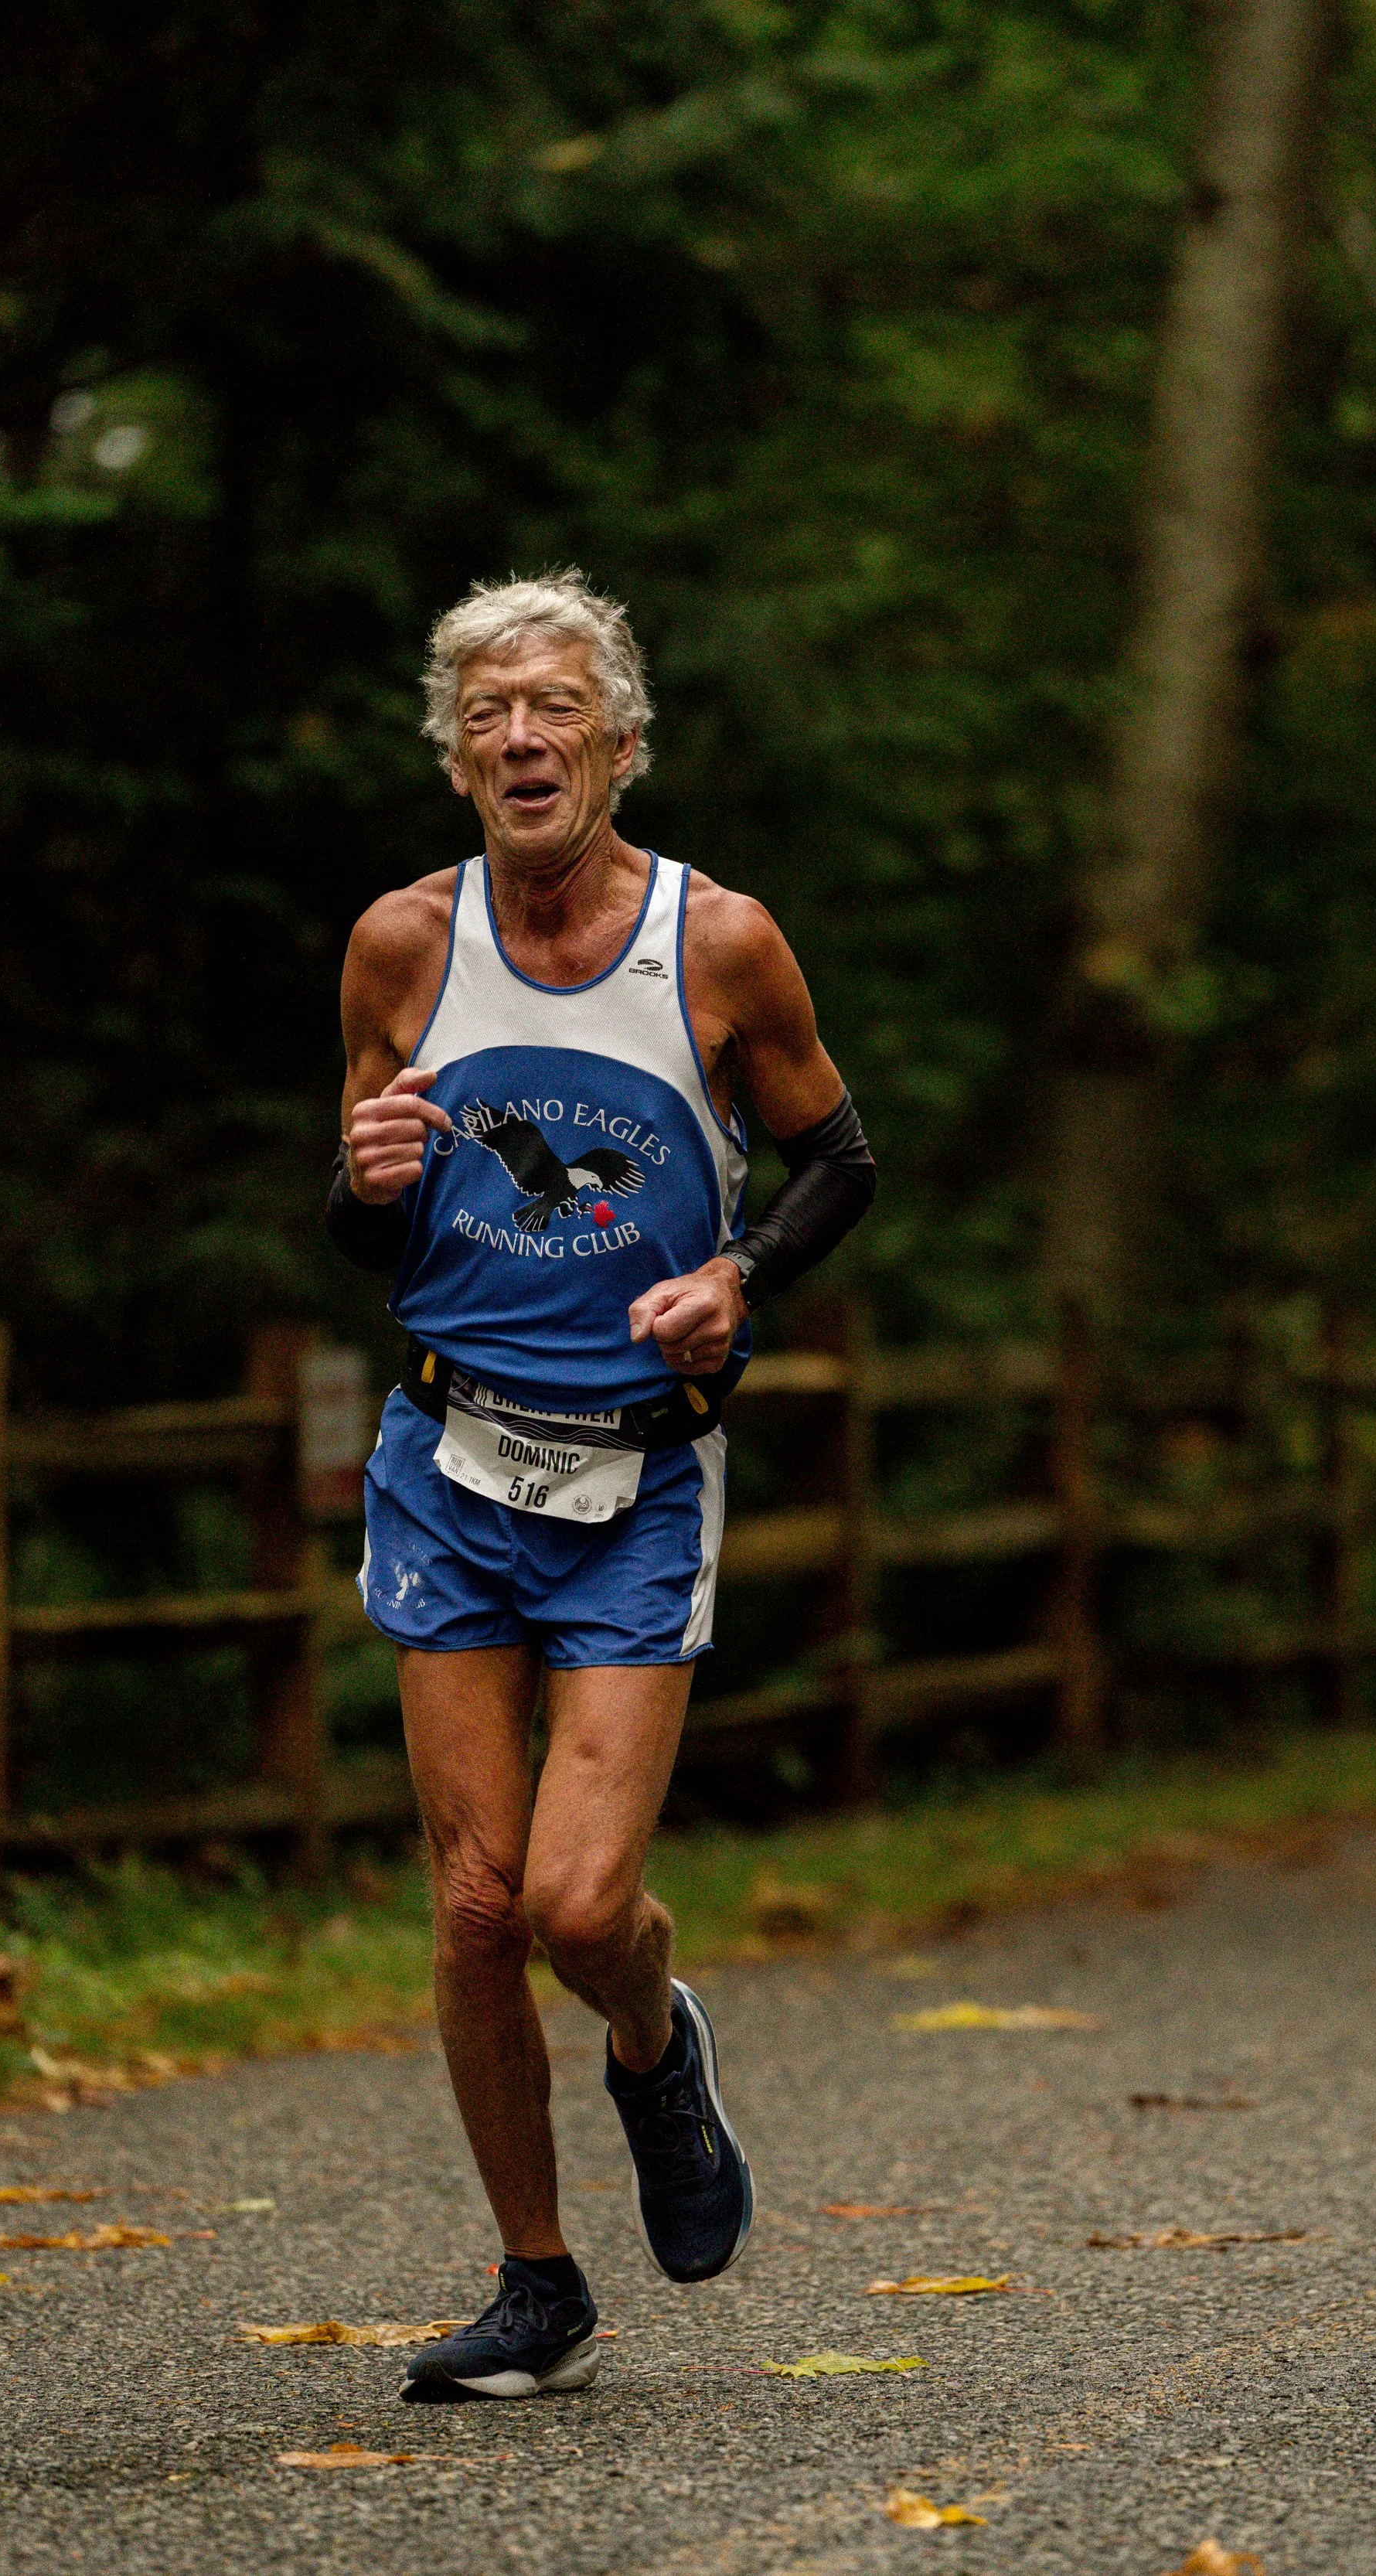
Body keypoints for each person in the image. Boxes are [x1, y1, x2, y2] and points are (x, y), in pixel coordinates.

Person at [327, 571, 875, 2403]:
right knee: (477, 1904)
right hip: (446, 1457)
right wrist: (373, 1171)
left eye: (554, 706)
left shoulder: (717, 946)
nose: (520, 737)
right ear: (454, 756)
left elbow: (839, 1159)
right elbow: (360, 1227)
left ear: (620, 742)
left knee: (576, 1907)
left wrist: (739, 1277)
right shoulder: (403, 945)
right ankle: (538, 2281)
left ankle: (653, 2031)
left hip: (638, 1479)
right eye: (487, 714)